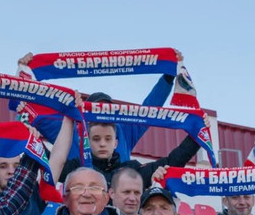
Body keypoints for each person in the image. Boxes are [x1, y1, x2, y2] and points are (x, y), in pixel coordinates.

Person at [19, 51, 181, 162]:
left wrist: (168, 76)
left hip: (117, 201)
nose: (102, 117)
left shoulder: (124, 133)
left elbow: (150, 108)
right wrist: (25, 74)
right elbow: (30, 108)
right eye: (96, 112)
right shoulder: (68, 132)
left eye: (107, 112)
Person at [58, 120, 204, 188]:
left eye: (108, 139)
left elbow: (172, 162)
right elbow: (50, 164)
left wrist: (198, 134)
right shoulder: (77, 167)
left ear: (116, 143)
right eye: (96, 139)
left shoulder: (132, 170)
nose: (102, 144)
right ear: (87, 142)